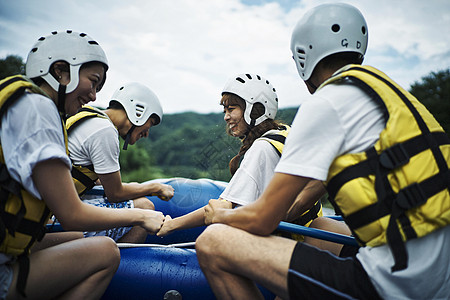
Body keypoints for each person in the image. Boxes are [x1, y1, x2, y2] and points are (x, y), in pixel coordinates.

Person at [195, 3, 450, 300]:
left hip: (395, 283)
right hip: (439, 275)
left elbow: (262, 219)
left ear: (303, 56)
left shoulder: (326, 103)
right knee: (311, 240)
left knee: (213, 241)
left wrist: (220, 216)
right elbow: (321, 184)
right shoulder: (394, 96)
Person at [0, 30, 165, 299]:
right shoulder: (40, 111)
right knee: (106, 251)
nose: (93, 96)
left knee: (78, 239)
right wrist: (141, 215)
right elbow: (72, 215)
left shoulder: (22, 102)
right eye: (93, 81)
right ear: (60, 71)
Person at [156, 73, 324, 239]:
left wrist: (172, 225)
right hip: (307, 234)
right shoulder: (284, 132)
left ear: (256, 110)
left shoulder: (261, 148)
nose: (226, 117)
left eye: (231, 109)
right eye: (224, 110)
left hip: (291, 241)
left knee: (213, 238)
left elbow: (223, 206)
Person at [66, 82, 174, 243]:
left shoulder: (88, 116)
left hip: (57, 204)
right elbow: (115, 193)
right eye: (149, 124)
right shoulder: (105, 130)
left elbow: (94, 180)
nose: (146, 133)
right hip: (56, 214)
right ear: (139, 112)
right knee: (145, 207)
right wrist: (155, 187)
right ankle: (113, 262)